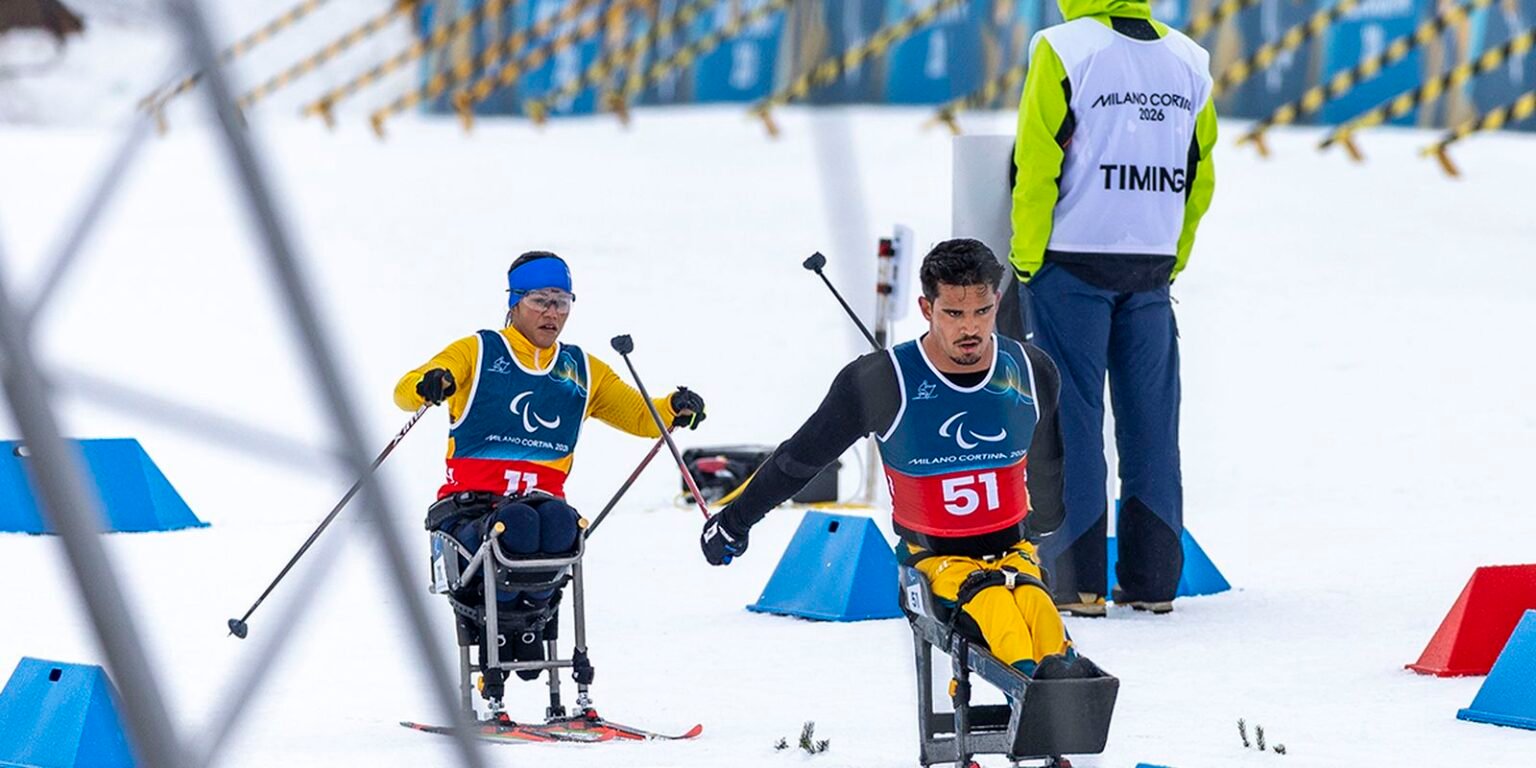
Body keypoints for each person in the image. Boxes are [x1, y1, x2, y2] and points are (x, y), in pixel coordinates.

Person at [701, 239, 1095, 680]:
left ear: (997, 302)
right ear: (926, 309)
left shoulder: (1030, 371)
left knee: (1040, 615)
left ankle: (1067, 699)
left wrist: (1041, 526)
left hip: (1013, 553)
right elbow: (800, 459)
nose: (971, 329)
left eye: (982, 312)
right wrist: (735, 521)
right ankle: (1045, 703)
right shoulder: (882, 381)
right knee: (1000, 613)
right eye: (953, 313)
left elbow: (1049, 466)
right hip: (934, 563)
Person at [395, 250, 705, 708]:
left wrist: (672, 408)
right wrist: (430, 382)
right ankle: (499, 638)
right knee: (517, 526)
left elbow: (642, 416)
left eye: (562, 302)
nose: (552, 313)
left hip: (541, 506)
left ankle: (528, 630)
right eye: (540, 300)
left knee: (563, 526)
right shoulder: (478, 353)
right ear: (515, 302)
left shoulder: (581, 370)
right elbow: (405, 390)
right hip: (471, 510)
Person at [1002, 0, 1218, 616]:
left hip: (1069, 262)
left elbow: (1037, 162)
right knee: (1152, 426)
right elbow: (1199, 175)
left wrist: (1025, 258)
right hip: (1149, 265)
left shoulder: (1062, 46)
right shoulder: (1189, 59)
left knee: (1070, 422)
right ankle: (1153, 583)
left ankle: (1077, 583)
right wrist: (1173, 257)